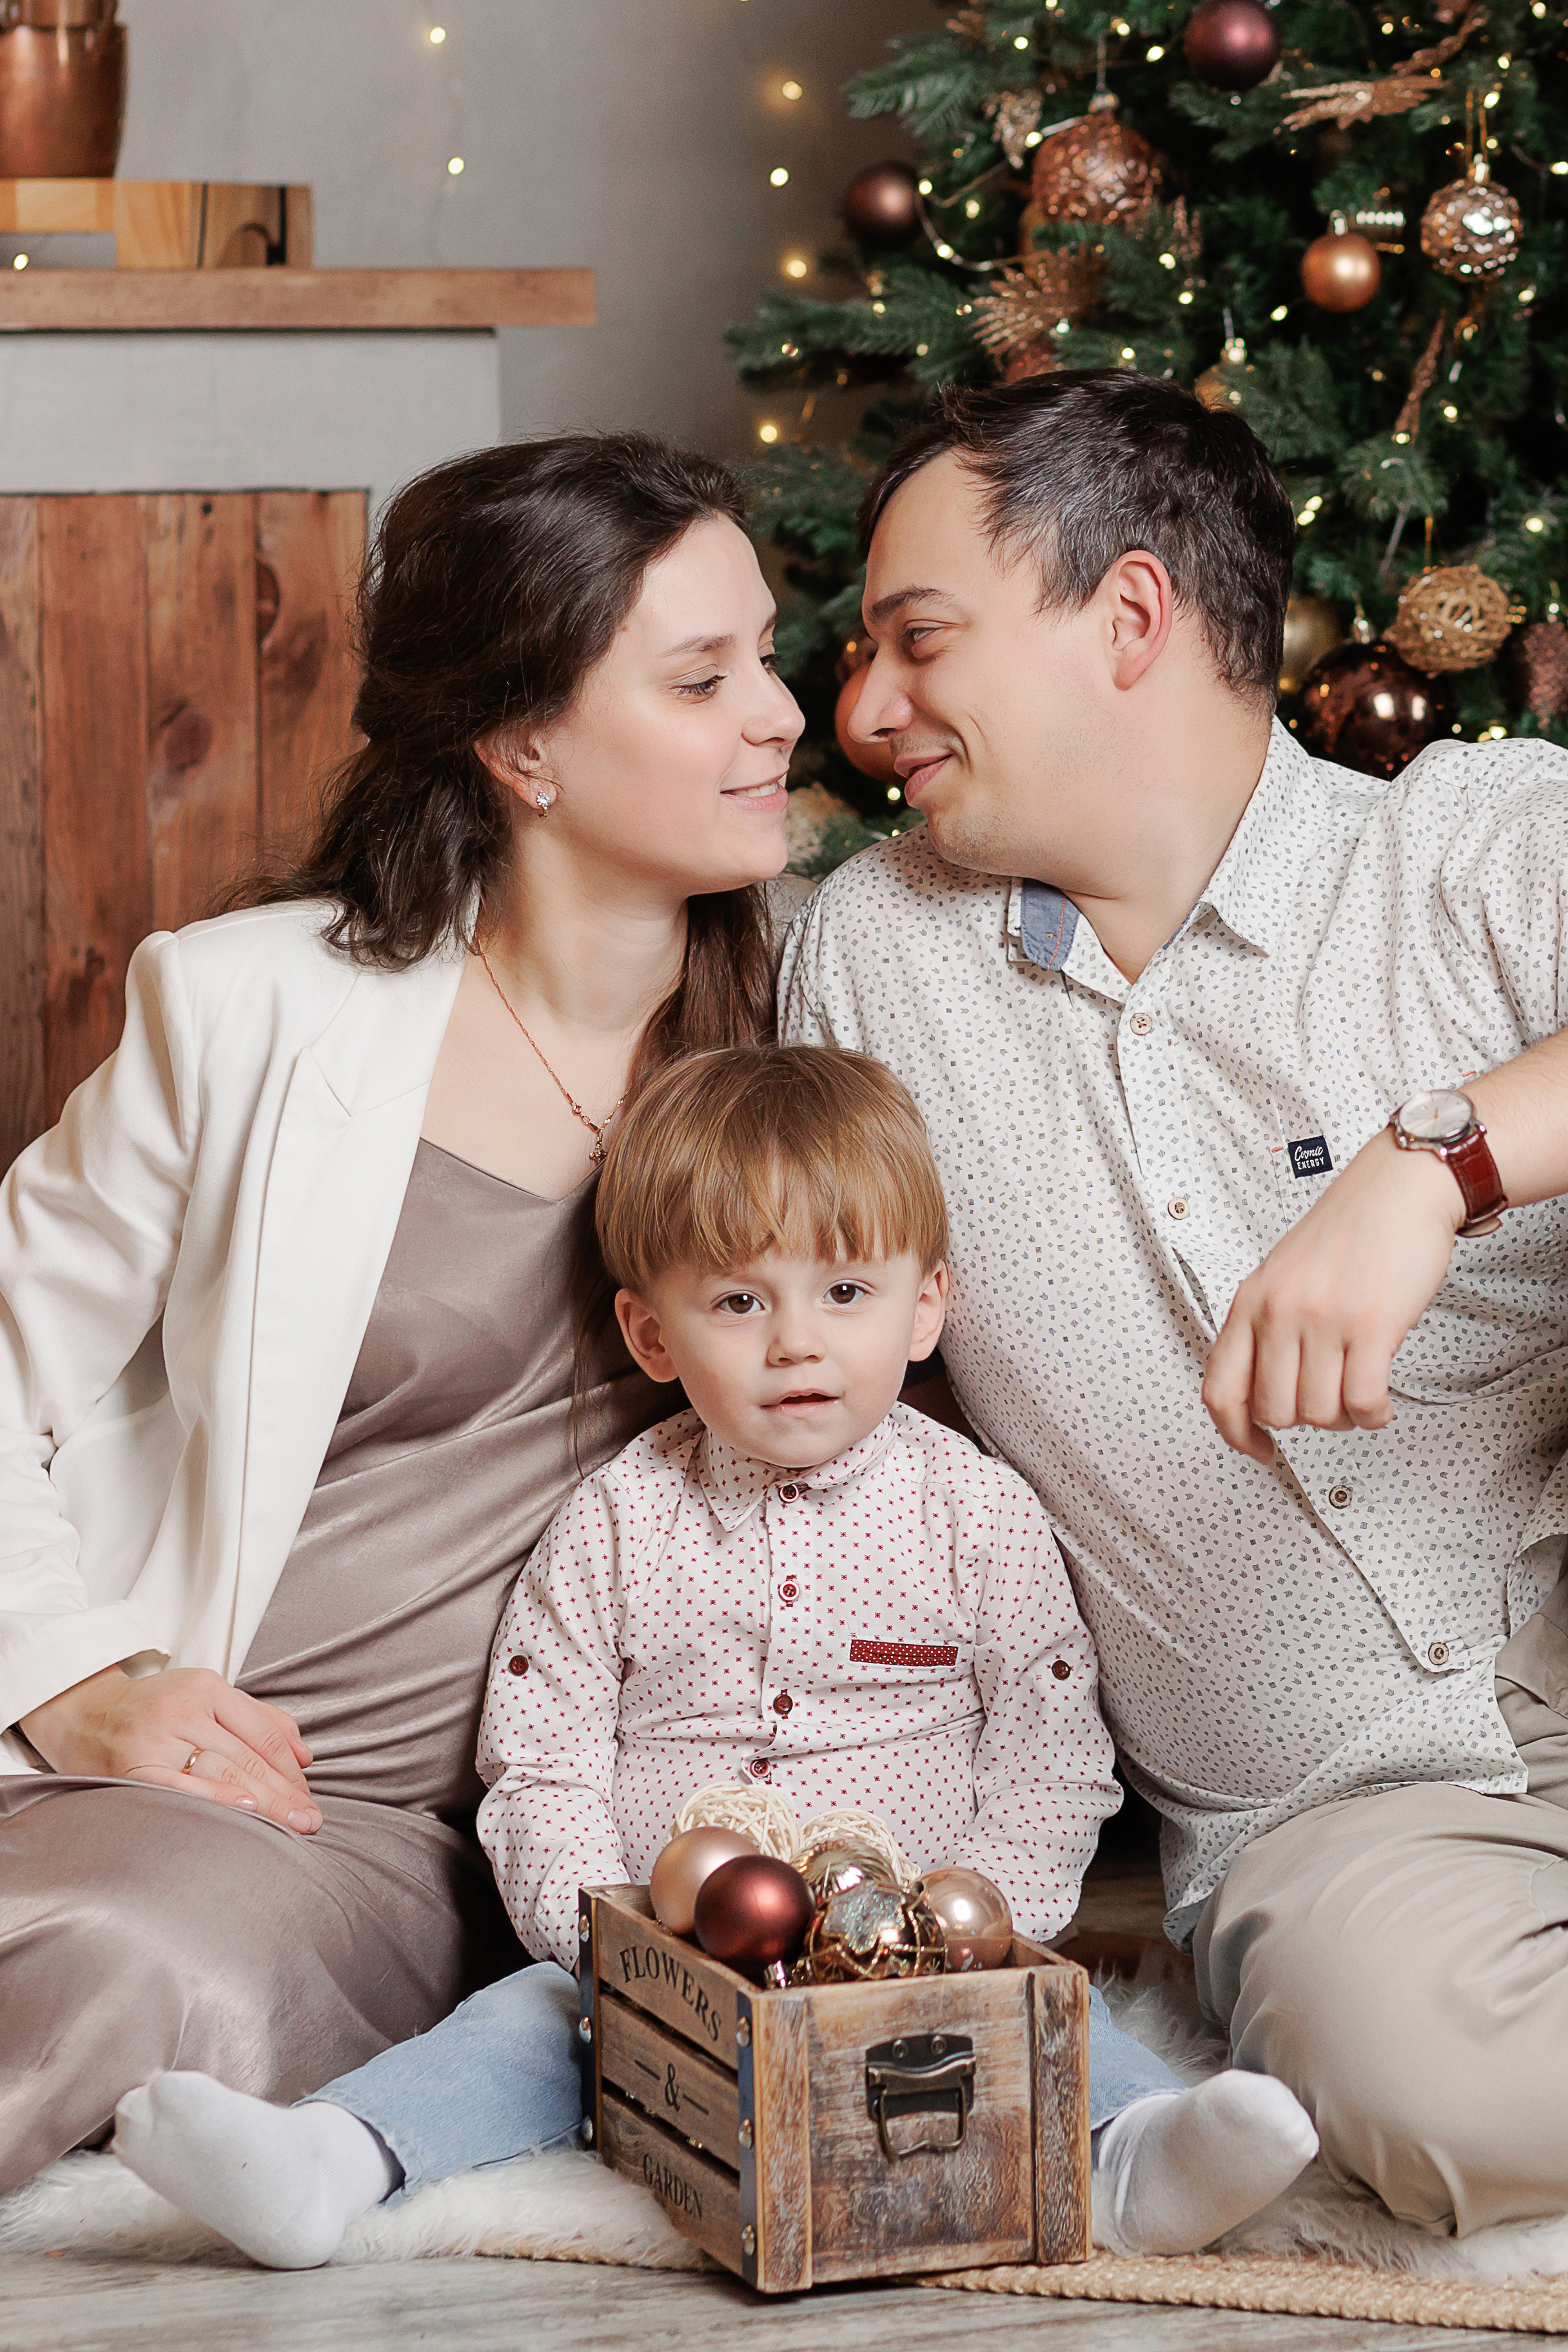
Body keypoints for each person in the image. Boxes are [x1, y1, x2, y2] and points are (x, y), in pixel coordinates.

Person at [778, 369, 1568, 2238]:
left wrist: (1438, 1160)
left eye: (917, 642)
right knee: (1442, 2099)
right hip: (1344, 1805)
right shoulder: (881, 962)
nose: (863, 711)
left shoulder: (1470, 850)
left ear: (1128, 617)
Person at [112, 1043, 1318, 2268]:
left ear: (927, 1308)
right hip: (663, 1958)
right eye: (740, 1302)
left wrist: (977, 1920)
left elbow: (1051, 1753)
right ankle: (335, 2160)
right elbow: (541, 1756)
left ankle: (1133, 2159)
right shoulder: (620, 1520)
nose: (797, 1343)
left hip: (912, 1949)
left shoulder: (976, 1513)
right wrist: (607, 1941)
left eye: (846, 1293)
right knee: (522, 2027)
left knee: (1029, 2009)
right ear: (649, 1333)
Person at [0, 432, 805, 2193]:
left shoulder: (828, 1016)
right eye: (704, 676)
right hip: (228, 1764)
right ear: (523, 748)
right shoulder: (248, 1013)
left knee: (141, 1964)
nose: (784, 715)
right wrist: (67, 1675)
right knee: (102, 1919)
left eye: (772, 651)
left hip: (524, 1832)